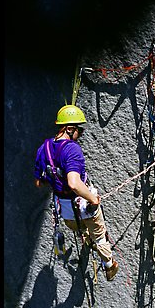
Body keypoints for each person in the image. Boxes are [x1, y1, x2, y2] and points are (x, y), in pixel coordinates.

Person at [34, 104, 119, 281]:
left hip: (65, 210)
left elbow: (38, 182)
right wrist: (92, 198)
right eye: (79, 129)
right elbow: (74, 183)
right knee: (100, 236)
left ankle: (86, 239)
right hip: (82, 204)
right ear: (69, 128)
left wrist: (54, 179)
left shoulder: (44, 148)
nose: (80, 134)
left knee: (80, 228)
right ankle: (109, 266)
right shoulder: (72, 149)